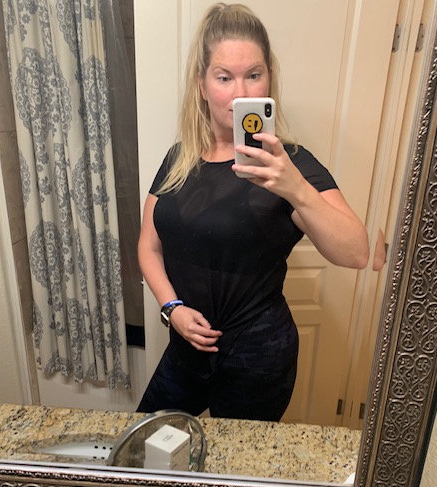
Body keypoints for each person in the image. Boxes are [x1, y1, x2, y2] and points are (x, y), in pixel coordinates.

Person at [137, 2, 369, 421]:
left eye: (254, 75)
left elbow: (355, 252)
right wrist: (172, 308)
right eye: (224, 77)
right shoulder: (178, 159)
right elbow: (148, 246)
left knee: (235, 463)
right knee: (145, 443)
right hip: (186, 350)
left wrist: (294, 187)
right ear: (202, 85)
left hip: (259, 360)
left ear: (269, 79)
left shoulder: (290, 163)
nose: (241, 93)